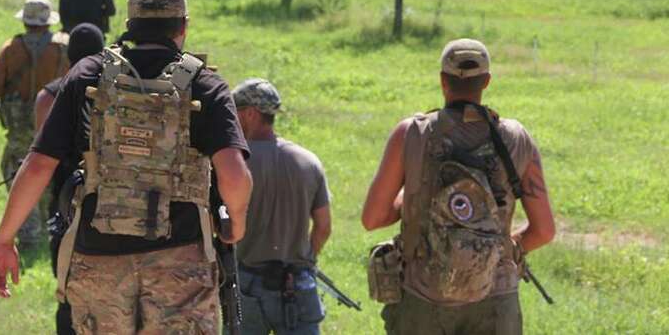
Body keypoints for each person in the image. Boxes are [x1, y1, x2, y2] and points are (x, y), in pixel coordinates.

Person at [0, 0, 253, 334]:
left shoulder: (87, 75)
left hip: (99, 258)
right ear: (184, 26)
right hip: (180, 261)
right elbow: (234, 177)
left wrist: (4, 241)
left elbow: (38, 166)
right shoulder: (204, 84)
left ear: (129, 26)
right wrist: (236, 220)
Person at [362, 38, 555, 335]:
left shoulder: (411, 133)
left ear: (442, 81)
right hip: (495, 298)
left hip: (423, 296)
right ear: (487, 82)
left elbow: (372, 218)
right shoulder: (517, 139)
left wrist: (410, 200)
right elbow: (544, 231)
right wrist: (491, 252)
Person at [231, 78, 332, 335]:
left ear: (251, 114)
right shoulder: (308, 161)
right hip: (296, 283)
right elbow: (323, 227)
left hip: (248, 284)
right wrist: (305, 261)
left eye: (236, 112)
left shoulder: (235, 164)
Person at [0, 0, 70, 248]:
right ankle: (51, 224)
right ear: (48, 21)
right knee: (50, 168)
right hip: (53, 120)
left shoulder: (12, 48)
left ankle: (28, 232)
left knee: (15, 170)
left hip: (19, 125)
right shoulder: (64, 47)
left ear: (25, 21)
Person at [34, 22, 106, 335]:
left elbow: (43, 154)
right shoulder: (118, 91)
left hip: (65, 204)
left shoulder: (50, 95)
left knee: (66, 293)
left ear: (67, 54)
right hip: (104, 203)